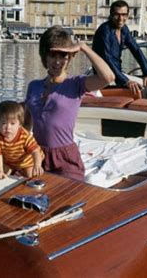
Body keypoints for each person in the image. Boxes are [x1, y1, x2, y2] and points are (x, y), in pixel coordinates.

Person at [24, 25, 115, 181]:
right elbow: (26, 127)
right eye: (53, 55)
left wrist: (84, 47)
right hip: (36, 155)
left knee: (65, 199)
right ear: (44, 56)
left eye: (63, 56)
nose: (58, 61)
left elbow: (108, 77)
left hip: (65, 158)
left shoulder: (76, 84)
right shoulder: (34, 86)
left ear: (70, 58)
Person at [92, 0, 147, 96]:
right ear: (111, 15)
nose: (121, 18)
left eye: (124, 15)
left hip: (118, 74)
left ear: (128, 15)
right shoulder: (104, 31)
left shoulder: (124, 29)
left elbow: (136, 50)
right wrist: (126, 81)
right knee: (143, 91)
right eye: (117, 14)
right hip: (104, 77)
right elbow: (107, 59)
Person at [0, 100, 44, 180]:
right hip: (10, 162)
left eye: (12, 123)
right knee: (1, 174)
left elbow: (35, 152)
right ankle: (13, 170)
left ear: (19, 124)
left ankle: (30, 171)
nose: (8, 127)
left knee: (31, 174)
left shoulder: (25, 136)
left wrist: (37, 165)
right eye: (4, 123)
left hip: (27, 162)